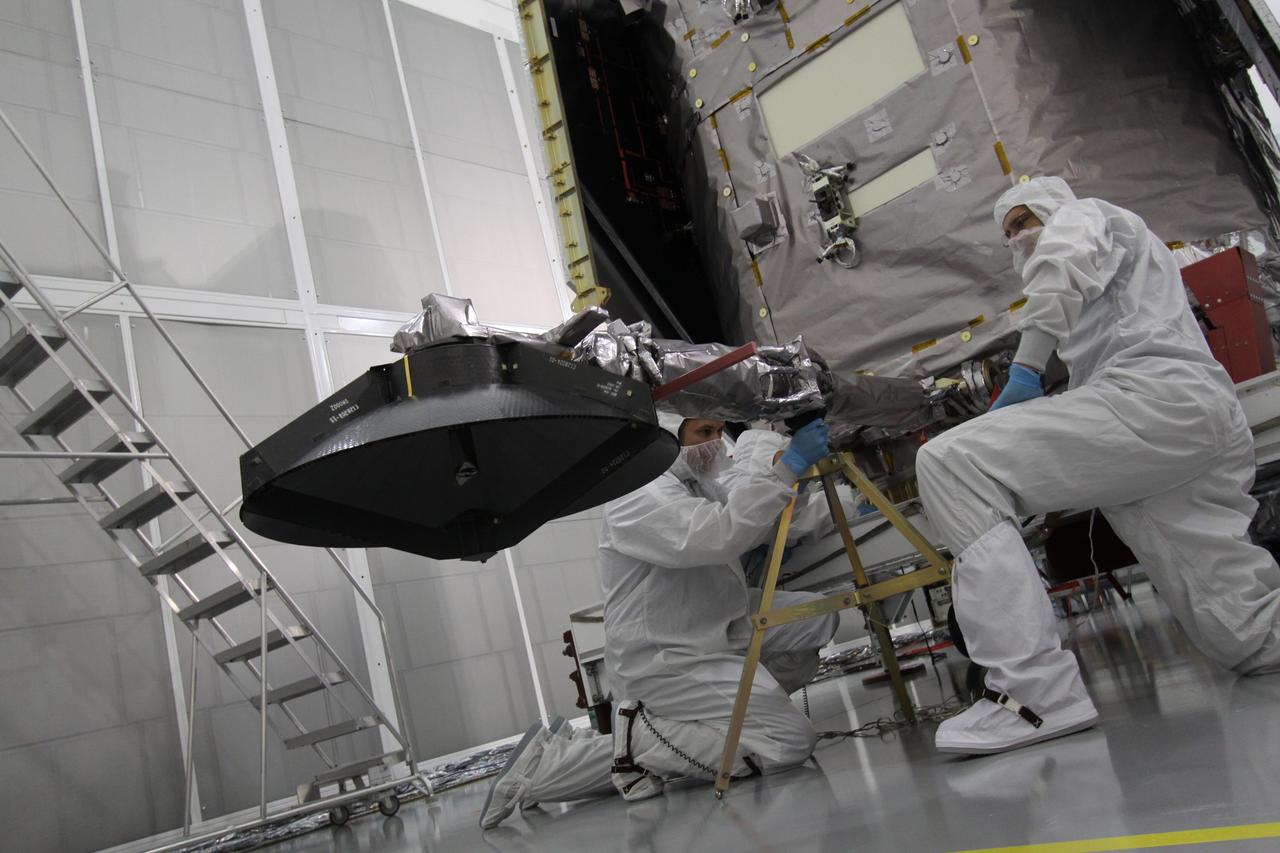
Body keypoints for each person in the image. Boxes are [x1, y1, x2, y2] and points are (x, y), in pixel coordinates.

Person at [914, 176, 1280, 756]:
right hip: (1181, 422)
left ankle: (1035, 696)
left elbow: (1061, 265)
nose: (1018, 237)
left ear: (1052, 206)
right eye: (1009, 232)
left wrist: (1026, 371)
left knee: (950, 461)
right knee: (1246, 633)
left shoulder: (1088, 217)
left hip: (1154, 402)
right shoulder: (1113, 281)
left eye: (1023, 220)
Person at [479, 412, 838, 828]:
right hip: (667, 657)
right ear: (666, 438)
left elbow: (746, 506)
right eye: (704, 433)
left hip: (714, 624)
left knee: (816, 619)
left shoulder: (696, 481)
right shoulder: (638, 493)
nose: (716, 443)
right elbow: (717, 533)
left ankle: (720, 721)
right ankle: (585, 755)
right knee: (788, 742)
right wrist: (787, 469)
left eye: (718, 432)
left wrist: (789, 479)